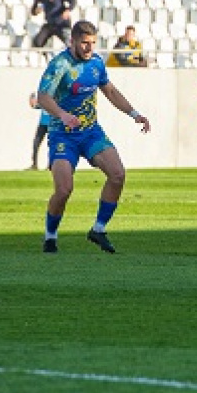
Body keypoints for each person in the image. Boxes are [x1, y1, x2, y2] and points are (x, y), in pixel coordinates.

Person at [37, 20, 151, 254]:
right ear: (73, 41)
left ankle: (98, 229)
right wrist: (62, 115)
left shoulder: (97, 63)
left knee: (118, 175)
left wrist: (134, 113)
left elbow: (109, 91)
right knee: (64, 190)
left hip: (90, 132)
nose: (89, 48)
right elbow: (42, 97)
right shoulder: (60, 65)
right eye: (84, 43)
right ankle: (50, 236)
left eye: (92, 43)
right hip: (62, 135)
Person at [28, 91, 49, 170]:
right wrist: (33, 102)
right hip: (43, 123)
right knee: (36, 142)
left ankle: (50, 165)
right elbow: (36, 105)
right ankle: (34, 164)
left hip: (53, 123)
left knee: (51, 145)